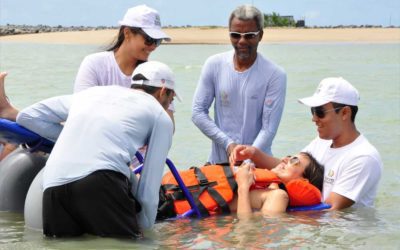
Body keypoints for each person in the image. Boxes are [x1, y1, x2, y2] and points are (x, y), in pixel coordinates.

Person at [16, 61, 180, 238]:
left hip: (52, 182)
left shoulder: (91, 93)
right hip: (101, 181)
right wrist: (144, 230)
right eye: (169, 102)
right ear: (163, 90)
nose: (167, 107)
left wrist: (73, 135)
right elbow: (149, 186)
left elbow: (26, 116)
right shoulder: (159, 115)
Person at [231, 77, 383, 210]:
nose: (314, 119)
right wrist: (254, 154)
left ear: (345, 113)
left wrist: (277, 211)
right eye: (313, 111)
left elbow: (331, 211)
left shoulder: (363, 157)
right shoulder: (322, 142)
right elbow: (293, 168)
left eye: (320, 112)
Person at [192, 4, 286, 164]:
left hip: (258, 164)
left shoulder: (275, 74)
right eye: (235, 35)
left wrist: (248, 159)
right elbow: (197, 112)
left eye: (249, 35)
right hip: (219, 162)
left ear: (260, 35)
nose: (242, 41)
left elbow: (268, 129)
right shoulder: (214, 64)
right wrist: (228, 144)